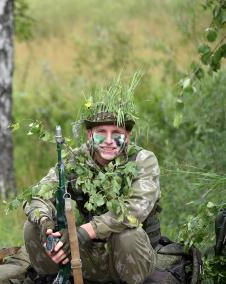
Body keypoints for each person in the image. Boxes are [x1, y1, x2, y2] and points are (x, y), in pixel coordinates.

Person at [23, 75, 161, 283]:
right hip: (88, 255)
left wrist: (84, 232)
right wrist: (45, 224)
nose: (108, 141)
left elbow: (135, 210)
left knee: (127, 236)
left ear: (128, 137)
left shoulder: (142, 160)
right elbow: (37, 194)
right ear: (89, 135)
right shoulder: (75, 160)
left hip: (129, 258)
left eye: (116, 133)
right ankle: (54, 277)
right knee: (31, 226)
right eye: (100, 133)